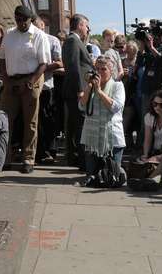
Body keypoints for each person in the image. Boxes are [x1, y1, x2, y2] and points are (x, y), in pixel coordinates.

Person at [0, 5, 50, 173]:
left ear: (30, 19)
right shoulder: (9, 35)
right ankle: (4, 157)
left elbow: (44, 63)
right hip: (11, 80)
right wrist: (6, 81)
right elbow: (1, 58)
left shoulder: (39, 36)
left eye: (24, 20)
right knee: (6, 120)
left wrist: (31, 82)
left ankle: (28, 159)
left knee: (30, 122)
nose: (20, 23)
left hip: (31, 79)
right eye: (18, 20)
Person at [75, 56, 126, 187]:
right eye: (97, 69)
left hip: (112, 138)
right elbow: (81, 106)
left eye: (103, 69)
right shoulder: (90, 86)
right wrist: (90, 87)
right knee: (91, 176)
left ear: (111, 71)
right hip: (92, 137)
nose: (99, 72)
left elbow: (115, 107)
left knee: (113, 175)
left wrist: (99, 91)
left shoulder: (117, 86)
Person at [61, 13, 94, 168]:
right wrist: (80, 90)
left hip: (79, 90)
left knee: (78, 125)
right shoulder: (73, 41)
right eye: (86, 26)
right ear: (80, 25)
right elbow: (74, 67)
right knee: (78, 125)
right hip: (77, 91)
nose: (88, 29)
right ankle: (80, 159)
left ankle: (79, 158)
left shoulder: (76, 41)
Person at [35, 17, 63, 164]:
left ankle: (50, 150)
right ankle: (38, 152)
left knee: (48, 119)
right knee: (35, 121)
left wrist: (43, 67)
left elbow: (59, 62)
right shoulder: (28, 40)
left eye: (37, 26)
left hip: (46, 86)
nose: (35, 29)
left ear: (43, 26)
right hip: (31, 87)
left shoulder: (53, 40)